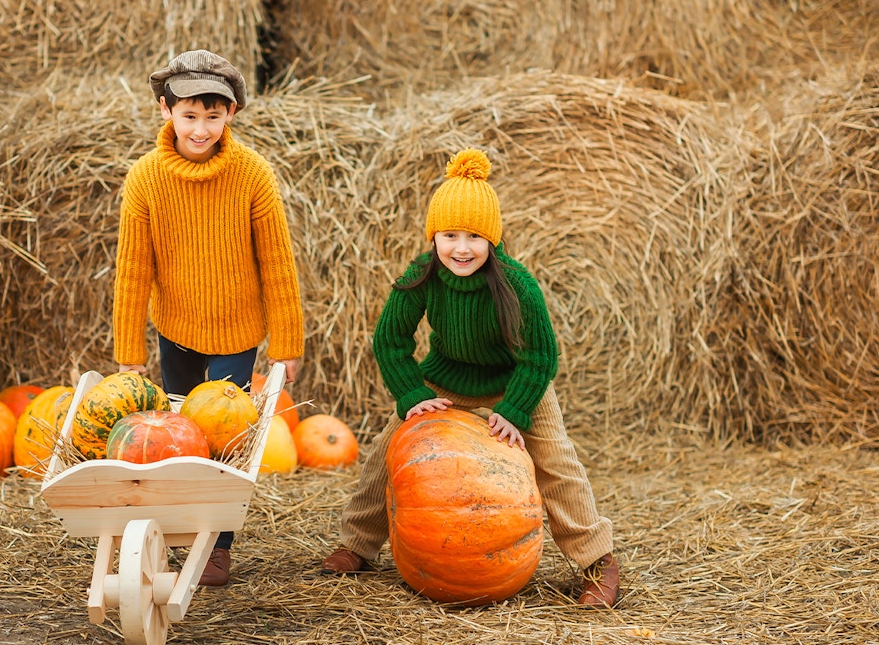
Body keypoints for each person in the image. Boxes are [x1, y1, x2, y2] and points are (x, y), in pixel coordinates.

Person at [319, 148, 621, 608]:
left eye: (474, 236)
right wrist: (412, 394)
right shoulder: (422, 275)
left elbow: (541, 355)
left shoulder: (517, 283)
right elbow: (390, 340)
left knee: (557, 463)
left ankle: (597, 560)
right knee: (387, 450)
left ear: (493, 240)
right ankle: (356, 545)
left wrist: (515, 410)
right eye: (450, 235)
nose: (462, 248)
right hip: (448, 377)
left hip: (515, 379)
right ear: (433, 236)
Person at [112, 49, 304, 588]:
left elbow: (277, 263)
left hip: (237, 334)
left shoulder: (252, 175)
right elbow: (132, 271)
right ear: (164, 109)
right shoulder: (146, 179)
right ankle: (175, 529)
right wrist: (129, 353)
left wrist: (287, 342)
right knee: (175, 433)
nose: (201, 128)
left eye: (212, 116)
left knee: (223, 440)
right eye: (189, 115)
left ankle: (217, 544)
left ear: (232, 114)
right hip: (175, 330)